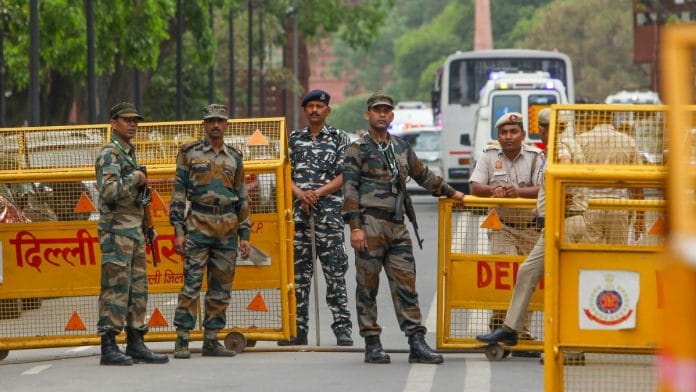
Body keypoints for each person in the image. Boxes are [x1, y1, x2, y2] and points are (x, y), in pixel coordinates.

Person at [342, 93, 466, 364]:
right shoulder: (357, 149)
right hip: (369, 224)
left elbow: (423, 175)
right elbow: (349, 188)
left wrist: (450, 192)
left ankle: (416, 342)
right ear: (368, 115)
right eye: (377, 110)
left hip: (397, 225)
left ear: (392, 115)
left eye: (386, 110)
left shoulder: (401, 147)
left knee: (406, 285)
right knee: (367, 286)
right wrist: (355, 228)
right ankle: (372, 342)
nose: (382, 114)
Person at [475, 108, 587, 362]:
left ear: (547, 129)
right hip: (554, 224)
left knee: (562, 285)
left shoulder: (562, 148)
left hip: (565, 222)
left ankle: (571, 346)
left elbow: (565, 177)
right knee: (527, 272)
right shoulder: (559, 146)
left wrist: (559, 198)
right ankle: (512, 330)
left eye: (544, 129)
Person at [169, 104, 251, 359]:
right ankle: (182, 339)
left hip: (227, 227)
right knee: (191, 284)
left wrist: (245, 235)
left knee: (221, 287)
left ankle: (212, 339)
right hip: (197, 225)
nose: (215, 125)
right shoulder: (189, 154)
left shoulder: (235, 157)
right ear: (204, 124)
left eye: (220, 121)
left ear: (226, 125)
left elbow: (242, 197)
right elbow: (179, 194)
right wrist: (178, 230)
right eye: (211, 121)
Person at [95, 102, 169, 366]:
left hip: (135, 229)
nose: (133, 124)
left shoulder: (129, 154)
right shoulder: (110, 154)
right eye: (127, 120)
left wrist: (148, 226)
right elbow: (109, 191)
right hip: (116, 231)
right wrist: (136, 179)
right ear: (113, 123)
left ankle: (136, 341)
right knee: (116, 287)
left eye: (135, 120)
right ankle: (109, 345)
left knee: (138, 288)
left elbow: (139, 195)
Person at [278, 89, 353, 347]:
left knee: (335, 275)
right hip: (299, 217)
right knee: (298, 278)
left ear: (327, 110)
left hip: (329, 217)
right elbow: (283, 173)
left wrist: (317, 193)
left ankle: (343, 329)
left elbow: (346, 175)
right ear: (304, 111)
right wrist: (300, 193)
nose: (314, 110)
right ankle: (298, 330)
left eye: (319, 106)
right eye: (309, 106)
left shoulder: (339, 138)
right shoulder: (293, 139)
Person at [468, 112, 544, 353]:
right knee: (504, 272)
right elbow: (475, 186)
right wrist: (494, 190)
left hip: (531, 229)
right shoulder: (489, 156)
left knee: (527, 279)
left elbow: (544, 188)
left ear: (522, 134)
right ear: (498, 136)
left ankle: (522, 333)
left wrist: (518, 193)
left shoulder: (535, 157)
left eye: (513, 132)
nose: (508, 136)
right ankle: (500, 325)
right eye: (503, 132)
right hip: (502, 227)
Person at [574, 110, 645, 244]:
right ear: (612, 118)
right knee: (617, 254)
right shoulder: (628, 141)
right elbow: (638, 181)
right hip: (618, 206)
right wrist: (640, 217)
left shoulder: (581, 140)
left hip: (589, 205)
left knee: (590, 255)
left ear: (594, 117)